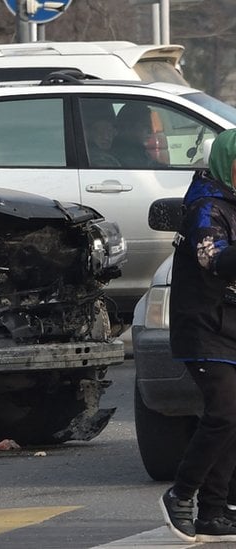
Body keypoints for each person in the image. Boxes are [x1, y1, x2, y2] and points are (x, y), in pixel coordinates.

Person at [160, 128, 236, 543]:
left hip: (230, 325)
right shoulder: (206, 207)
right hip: (203, 326)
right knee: (224, 413)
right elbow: (214, 258)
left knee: (234, 418)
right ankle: (181, 494)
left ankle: (214, 510)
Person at [112, 103, 162, 168]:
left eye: (150, 126)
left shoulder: (138, 151)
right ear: (128, 127)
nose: (151, 131)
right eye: (146, 126)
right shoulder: (127, 156)